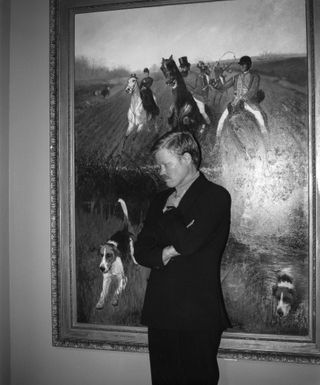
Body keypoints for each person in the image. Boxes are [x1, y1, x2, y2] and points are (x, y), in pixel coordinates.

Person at [134, 131, 231, 385]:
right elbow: (141, 251)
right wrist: (166, 252)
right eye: (159, 165)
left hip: (198, 315)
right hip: (160, 312)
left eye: (166, 164)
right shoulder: (158, 200)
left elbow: (187, 244)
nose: (160, 171)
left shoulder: (216, 196)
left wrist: (171, 210)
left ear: (187, 158)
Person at [215, 55, 267, 139]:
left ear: (249, 65)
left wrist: (243, 99)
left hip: (248, 102)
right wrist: (216, 84)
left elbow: (252, 90)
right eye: (241, 64)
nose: (242, 66)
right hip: (235, 102)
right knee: (221, 121)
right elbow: (222, 88)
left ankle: (267, 142)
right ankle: (217, 143)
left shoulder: (255, 76)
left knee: (260, 117)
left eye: (244, 64)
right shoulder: (235, 78)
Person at [178, 56, 211, 125]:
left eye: (184, 67)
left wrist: (192, 92)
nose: (183, 69)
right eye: (182, 67)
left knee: (202, 111)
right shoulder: (180, 77)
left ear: (188, 67)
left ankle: (209, 123)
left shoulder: (195, 75)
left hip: (196, 96)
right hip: (186, 96)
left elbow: (199, 87)